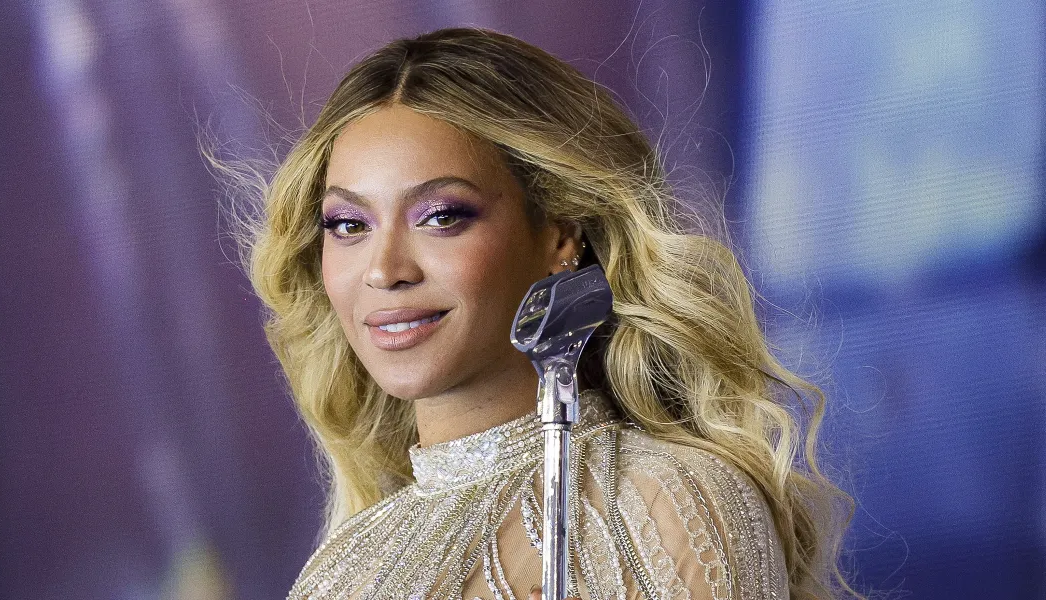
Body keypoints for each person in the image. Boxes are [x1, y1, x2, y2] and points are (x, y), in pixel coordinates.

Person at [215, 26, 861, 600]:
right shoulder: (345, 573)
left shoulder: (676, 500)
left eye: (441, 216)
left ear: (559, 235)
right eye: (348, 224)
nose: (384, 271)